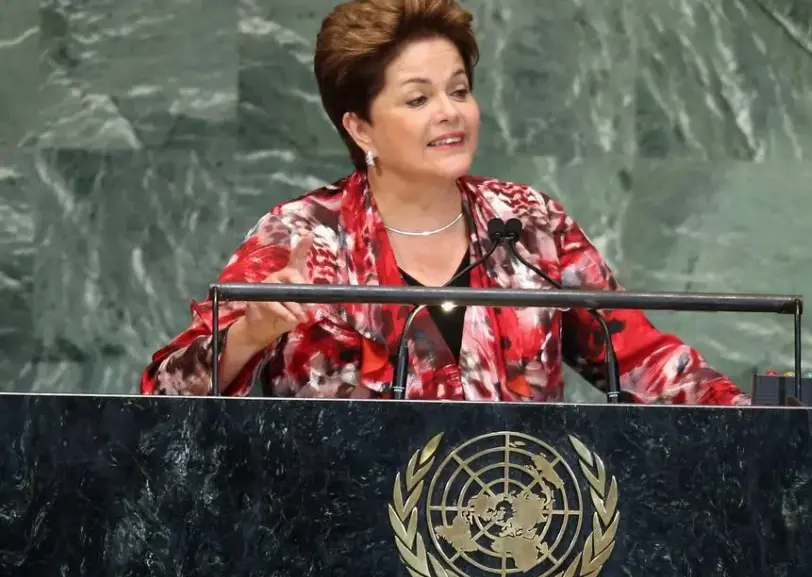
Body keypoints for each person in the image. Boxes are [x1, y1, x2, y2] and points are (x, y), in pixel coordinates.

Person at [139, 0, 750, 405]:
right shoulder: (304, 235)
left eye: (458, 90)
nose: (449, 113)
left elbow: (640, 360)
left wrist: (762, 423)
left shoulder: (530, 224)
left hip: (512, 555)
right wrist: (250, 335)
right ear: (361, 129)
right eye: (417, 99)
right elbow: (162, 397)